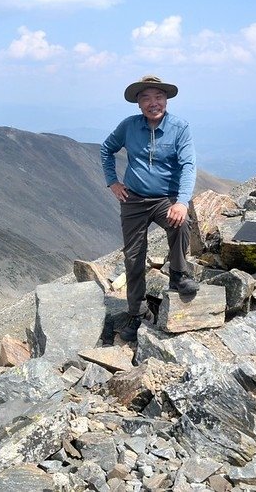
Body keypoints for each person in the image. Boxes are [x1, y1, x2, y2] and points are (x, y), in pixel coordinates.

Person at [100, 74, 199, 342]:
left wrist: (181, 201)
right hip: (133, 199)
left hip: (166, 197)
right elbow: (106, 150)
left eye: (158, 97)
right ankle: (137, 313)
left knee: (181, 222)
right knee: (133, 257)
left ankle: (178, 274)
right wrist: (112, 182)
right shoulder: (129, 126)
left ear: (166, 100)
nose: (153, 103)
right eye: (146, 98)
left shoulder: (180, 127)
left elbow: (189, 165)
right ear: (138, 103)